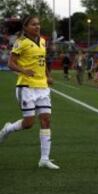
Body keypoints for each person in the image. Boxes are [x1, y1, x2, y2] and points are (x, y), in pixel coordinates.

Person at [0, 15, 60, 170]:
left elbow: (43, 61)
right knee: (28, 124)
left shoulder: (42, 41)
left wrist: (47, 76)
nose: (37, 26)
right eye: (34, 24)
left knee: (46, 120)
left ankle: (44, 159)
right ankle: (7, 129)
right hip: (26, 87)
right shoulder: (21, 42)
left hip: (42, 87)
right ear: (25, 27)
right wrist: (23, 70)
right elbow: (11, 63)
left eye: (38, 24)